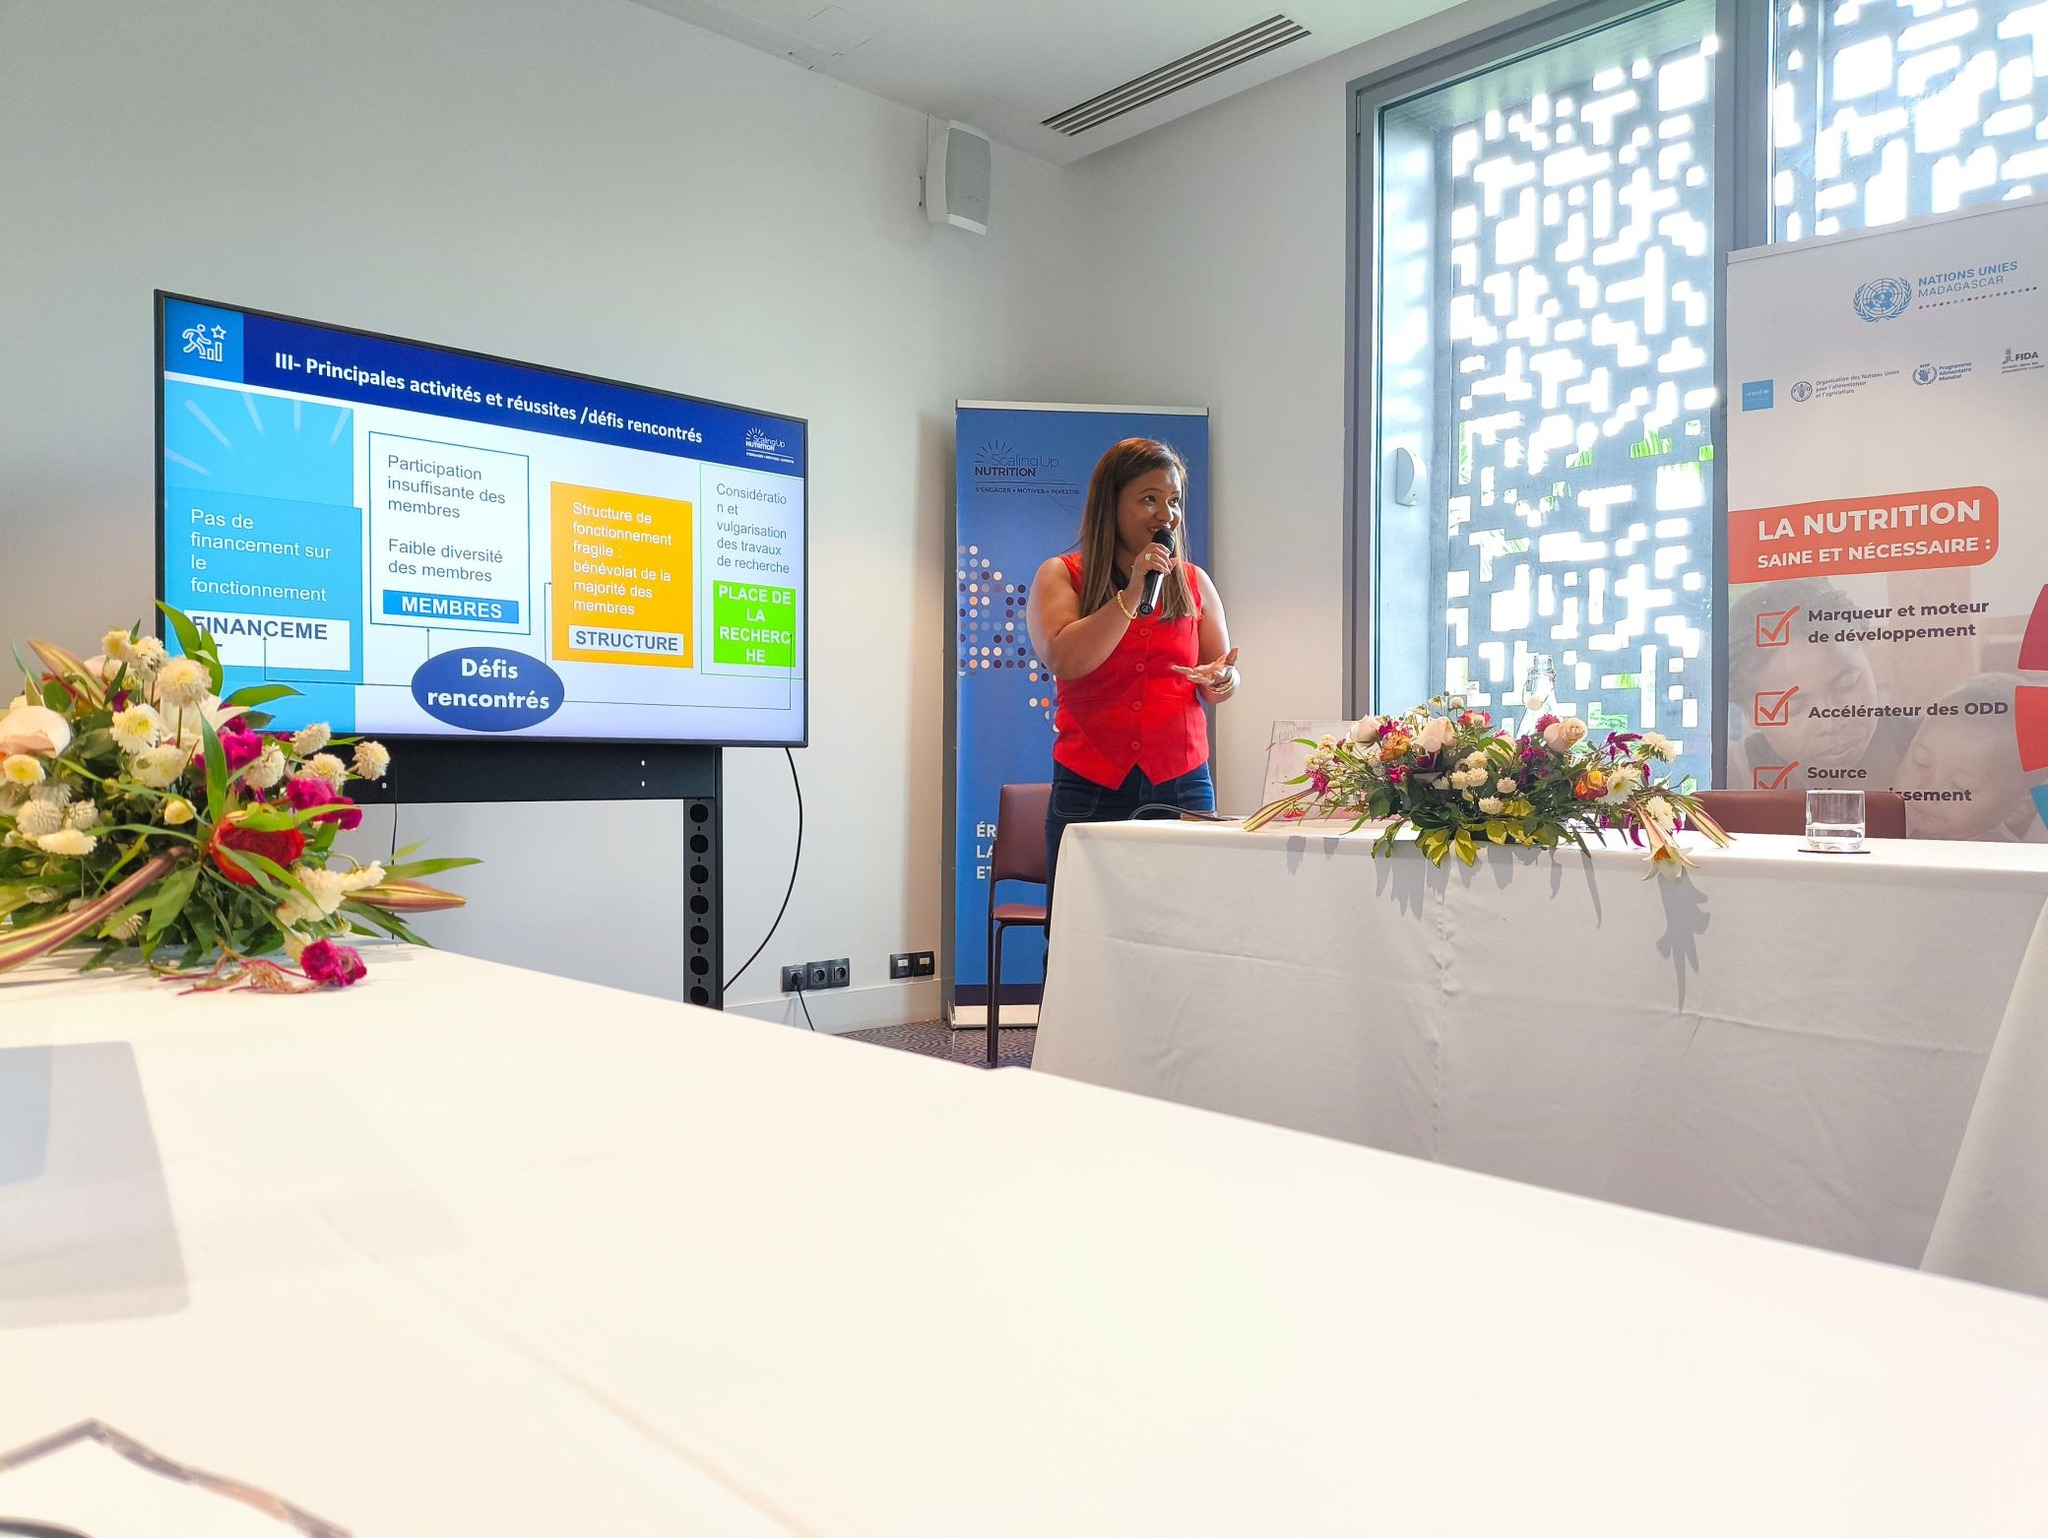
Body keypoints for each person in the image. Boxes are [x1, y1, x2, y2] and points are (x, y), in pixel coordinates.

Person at [1026, 438, 1239, 914]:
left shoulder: (1195, 582)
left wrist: (1224, 680)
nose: (1167, 514)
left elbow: (1220, 672)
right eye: (1149, 499)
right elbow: (1065, 658)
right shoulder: (1062, 575)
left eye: (1174, 501)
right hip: (1090, 785)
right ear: (1112, 503)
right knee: (1080, 930)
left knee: (1189, 925)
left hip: (1182, 783)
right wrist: (1133, 591)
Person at [1726, 578, 1912, 787]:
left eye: (1846, 685)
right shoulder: (1726, 776)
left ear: (1868, 658)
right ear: (1750, 713)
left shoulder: (1928, 742)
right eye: (1793, 706)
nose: (1831, 722)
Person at [1893, 673, 2046, 841]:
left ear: (2017, 808)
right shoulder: (1891, 821)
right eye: (1920, 762)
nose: (1926, 791)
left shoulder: (1995, 853)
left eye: (1959, 786)